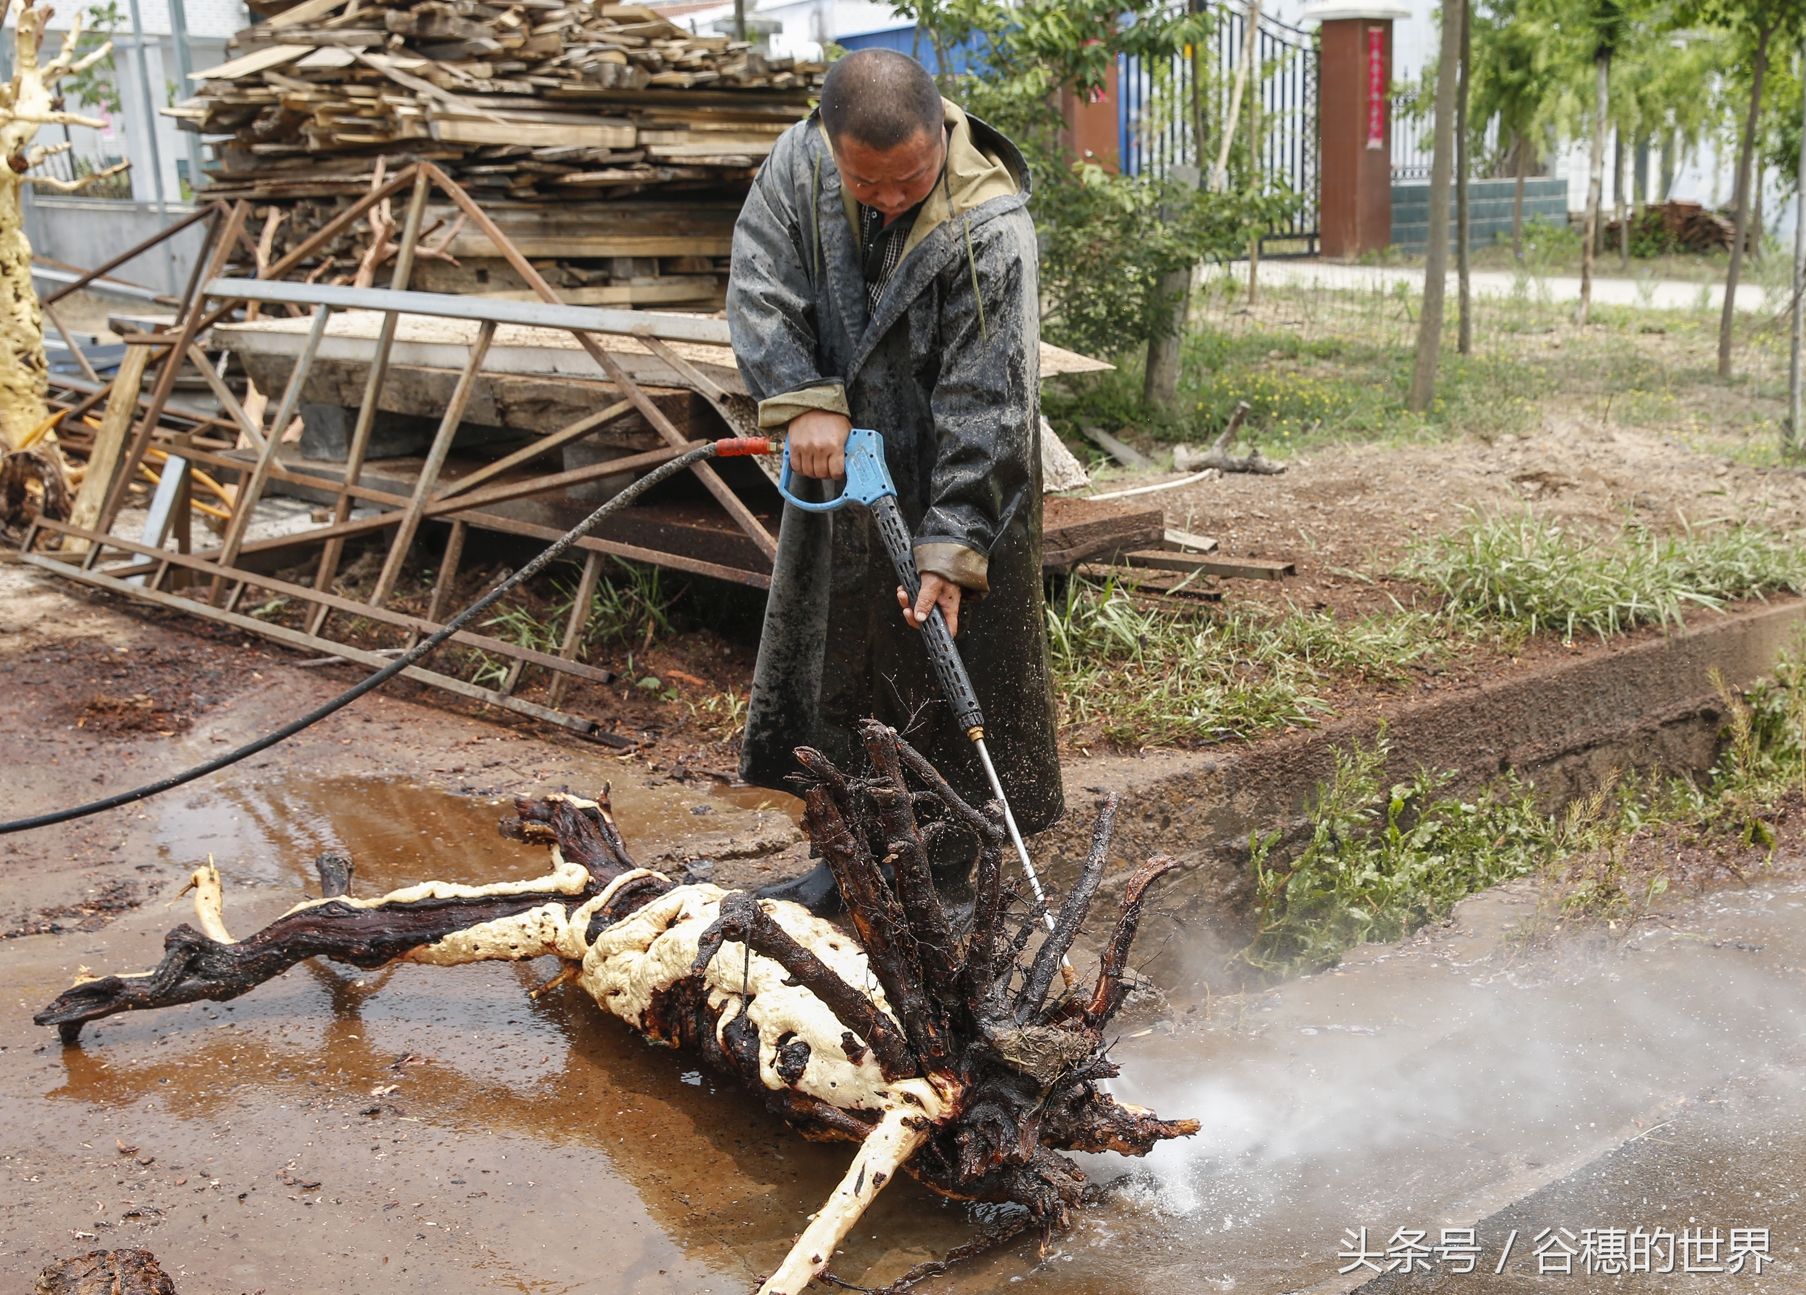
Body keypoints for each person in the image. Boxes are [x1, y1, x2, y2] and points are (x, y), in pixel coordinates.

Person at [726, 48, 1063, 914]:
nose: (888, 199)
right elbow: (761, 287)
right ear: (834, 147)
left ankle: (952, 877)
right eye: (866, 184)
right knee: (840, 665)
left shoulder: (991, 226)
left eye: (909, 181)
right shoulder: (797, 169)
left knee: (947, 673)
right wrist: (800, 397)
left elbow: (991, 402)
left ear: (938, 136)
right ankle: (846, 860)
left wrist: (954, 543)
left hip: (956, 478)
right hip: (838, 468)